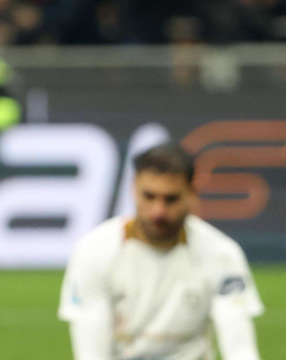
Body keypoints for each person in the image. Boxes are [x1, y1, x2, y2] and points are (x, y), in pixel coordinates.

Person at [59, 143, 264, 360]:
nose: (159, 211)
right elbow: (92, 355)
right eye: (149, 196)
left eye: (171, 199)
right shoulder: (94, 251)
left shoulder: (222, 254)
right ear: (133, 188)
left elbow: (240, 351)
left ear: (192, 193)